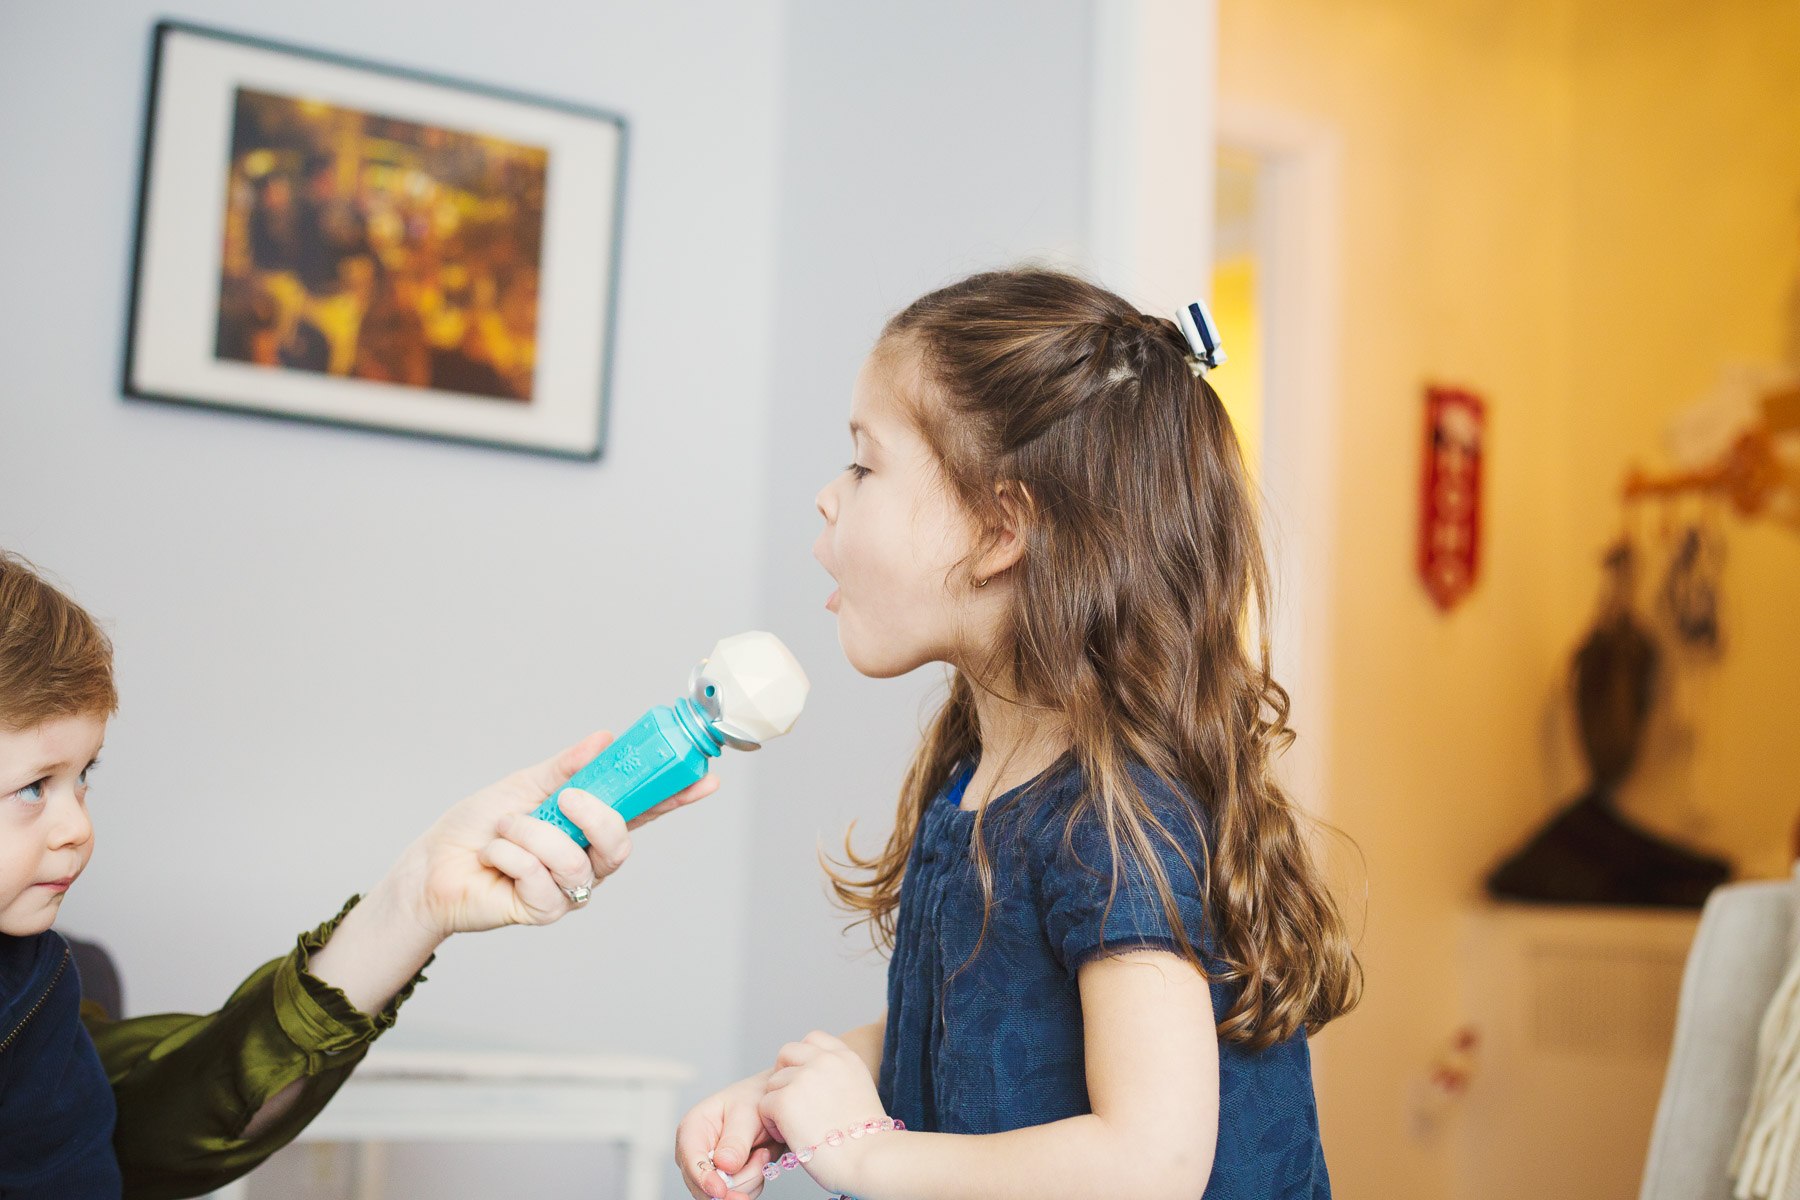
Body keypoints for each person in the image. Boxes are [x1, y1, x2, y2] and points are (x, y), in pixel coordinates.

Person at [676, 270, 1361, 1200]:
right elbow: (974, 1033)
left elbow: (1150, 1161)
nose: (828, 497)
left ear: (1002, 530)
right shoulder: (976, 773)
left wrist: (865, 1154)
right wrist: (797, 1091)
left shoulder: (1114, 817)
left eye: (865, 465)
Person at [0, 550, 716, 1199]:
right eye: (33, 787)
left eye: (84, 776)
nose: (77, 828)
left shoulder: (40, 981)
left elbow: (141, 1128)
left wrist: (416, 903)